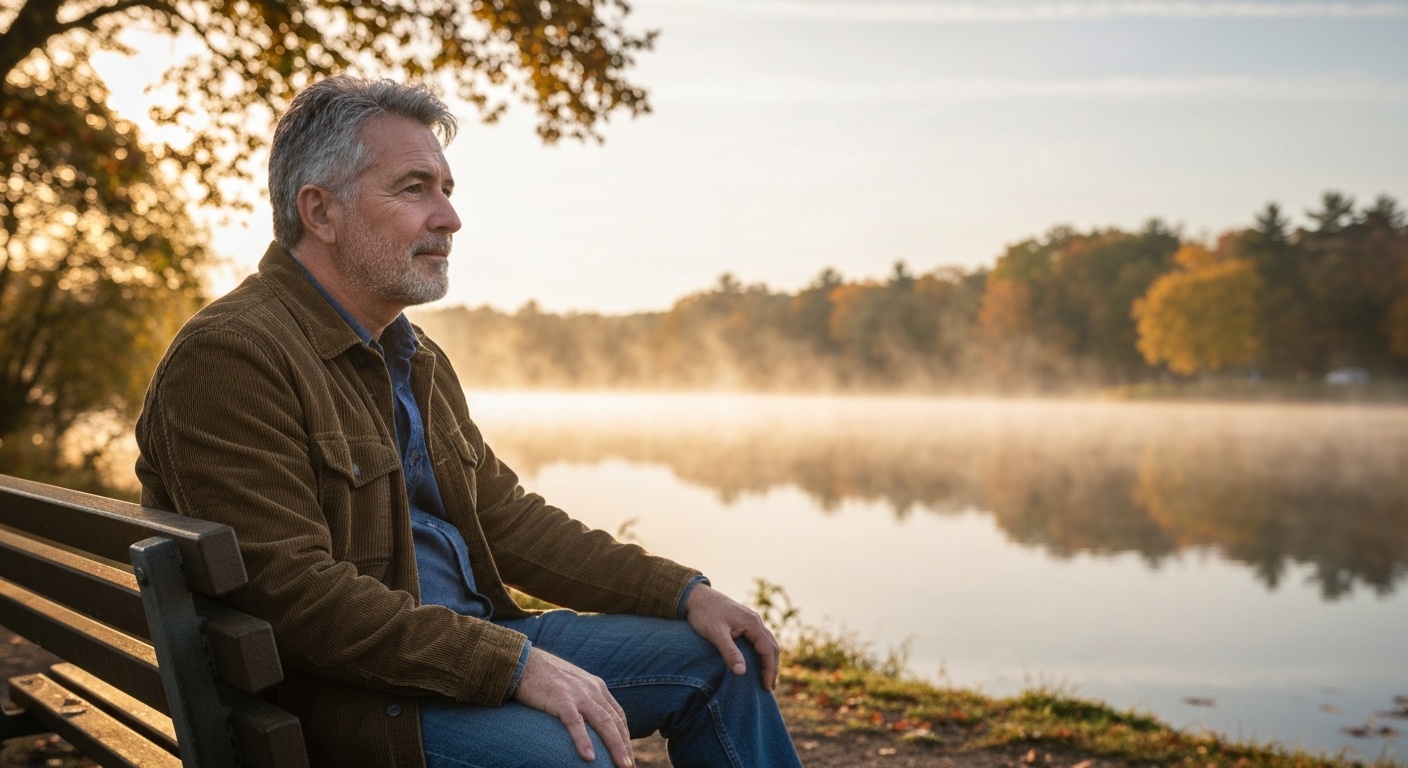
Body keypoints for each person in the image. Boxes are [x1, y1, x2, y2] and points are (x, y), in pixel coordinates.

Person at [134, 75, 803, 768]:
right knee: (572, 754)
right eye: (415, 188)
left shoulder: (414, 356)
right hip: (358, 702)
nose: (450, 217)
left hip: (469, 652)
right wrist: (514, 666)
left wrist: (681, 590)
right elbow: (294, 595)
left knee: (723, 661)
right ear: (320, 212)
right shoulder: (233, 356)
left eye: (447, 190)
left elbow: (507, 519)